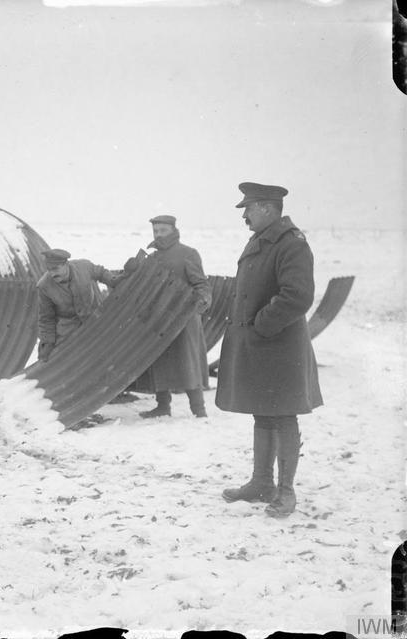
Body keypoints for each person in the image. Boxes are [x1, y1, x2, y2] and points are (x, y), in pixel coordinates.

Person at [216, 182, 322, 518]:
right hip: (261, 346)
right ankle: (261, 482)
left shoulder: (291, 244)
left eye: (248, 208)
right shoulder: (262, 240)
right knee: (263, 412)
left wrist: (262, 324)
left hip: (279, 346)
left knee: (283, 414)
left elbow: (297, 295)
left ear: (266, 208)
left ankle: (286, 491)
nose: (244, 215)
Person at [130, 215, 212, 419]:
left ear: (174, 231)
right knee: (159, 360)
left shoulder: (188, 254)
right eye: (155, 231)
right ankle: (163, 406)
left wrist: (202, 301)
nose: (158, 235)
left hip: (183, 317)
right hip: (159, 318)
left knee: (188, 361)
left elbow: (201, 284)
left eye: (163, 230)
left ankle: (199, 409)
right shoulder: (153, 257)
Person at [36, 248, 118, 362]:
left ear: (66, 264)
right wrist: (48, 342)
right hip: (68, 329)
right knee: (67, 360)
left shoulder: (84, 266)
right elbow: (46, 318)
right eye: (49, 270)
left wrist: (113, 280)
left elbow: (101, 272)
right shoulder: (44, 286)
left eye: (55, 269)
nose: (52, 273)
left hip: (93, 319)